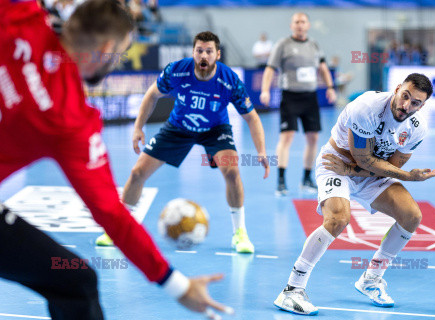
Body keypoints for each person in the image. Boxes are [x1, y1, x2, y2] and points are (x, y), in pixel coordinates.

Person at [0, 1, 232, 319]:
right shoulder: (69, 121)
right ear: (106, 48)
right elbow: (113, 216)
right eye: (120, 52)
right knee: (77, 283)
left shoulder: (20, 14)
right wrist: (177, 285)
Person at [274, 73, 435, 315]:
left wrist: (387, 172)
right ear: (397, 89)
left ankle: (371, 279)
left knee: (411, 216)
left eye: (415, 102)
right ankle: (292, 290)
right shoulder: (367, 107)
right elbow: (365, 158)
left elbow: (389, 166)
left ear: (422, 105)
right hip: (336, 164)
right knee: (338, 218)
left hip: (365, 173)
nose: (407, 106)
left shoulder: (417, 128)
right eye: (405, 96)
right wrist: (407, 177)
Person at [95, 31, 269, 254]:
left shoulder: (230, 80)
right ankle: (116, 229)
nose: (203, 56)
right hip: (178, 127)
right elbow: (151, 95)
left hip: (215, 130)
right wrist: (138, 127)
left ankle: (240, 234)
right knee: (138, 172)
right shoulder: (177, 70)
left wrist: (261, 150)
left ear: (218, 54)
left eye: (208, 51)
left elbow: (252, 117)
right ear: (193, 52)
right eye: (199, 51)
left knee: (232, 173)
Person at [260, 12, 336, 196]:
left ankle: (307, 179)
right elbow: (270, 69)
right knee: (286, 137)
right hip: (290, 97)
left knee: (313, 138)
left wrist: (330, 87)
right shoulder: (283, 45)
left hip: (310, 97)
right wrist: (265, 90)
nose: (300, 25)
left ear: (308, 25)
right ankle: (281, 180)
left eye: (303, 22)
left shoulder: (314, 45)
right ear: (291, 25)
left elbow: (323, 68)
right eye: (296, 22)